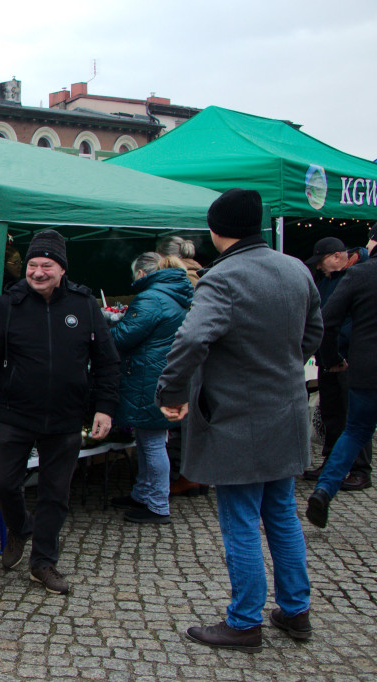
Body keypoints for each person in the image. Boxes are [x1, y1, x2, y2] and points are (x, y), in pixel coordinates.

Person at [156, 188, 322, 652]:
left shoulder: (223, 278)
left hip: (237, 419)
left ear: (215, 229)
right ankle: (296, 610)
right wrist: (282, 369)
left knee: (242, 519)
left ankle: (245, 621)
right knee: (282, 515)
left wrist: (170, 392)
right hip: (287, 410)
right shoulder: (296, 268)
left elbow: (190, 341)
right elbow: (314, 333)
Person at [0, 229, 120, 595]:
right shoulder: (9, 305)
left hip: (65, 416)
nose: (37, 272)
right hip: (15, 414)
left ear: (62, 269)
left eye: (46, 265)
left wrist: (105, 409)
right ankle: (19, 526)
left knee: (54, 493)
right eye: (32, 265)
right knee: (0, 480)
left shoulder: (83, 305)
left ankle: (43, 564)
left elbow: (107, 362)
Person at [108, 253, 193, 524]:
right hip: (161, 373)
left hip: (147, 376)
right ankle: (143, 493)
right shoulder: (174, 293)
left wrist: (104, 328)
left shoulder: (151, 297)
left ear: (142, 274)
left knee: (153, 442)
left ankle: (157, 504)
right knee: (148, 440)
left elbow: (124, 336)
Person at [305, 242, 377, 528]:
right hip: (363, 369)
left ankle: (324, 490)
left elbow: (327, 321)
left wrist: (332, 358)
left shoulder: (359, 275)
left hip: (365, 369)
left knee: (355, 431)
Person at [156, 235, 206, 497]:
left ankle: (189, 476)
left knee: (186, 419)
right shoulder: (200, 272)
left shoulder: (182, 277)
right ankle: (196, 475)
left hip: (189, 356)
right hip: (202, 356)